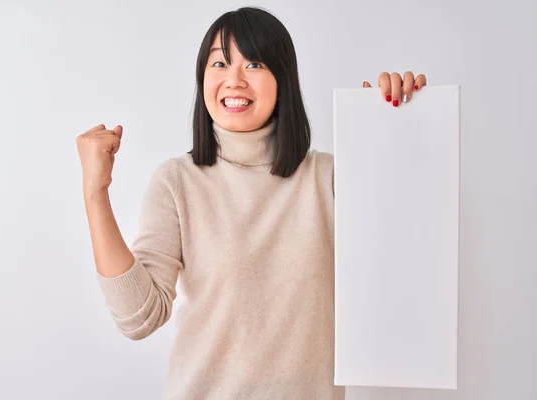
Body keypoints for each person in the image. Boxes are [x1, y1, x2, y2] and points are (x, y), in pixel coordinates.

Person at [76, 6, 426, 400]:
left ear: (282, 78)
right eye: (220, 63)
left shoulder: (328, 179)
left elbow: (403, 264)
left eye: (254, 63)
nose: (234, 80)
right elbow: (139, 318)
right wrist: (96, 193)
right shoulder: (177, 181)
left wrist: (396, 127)